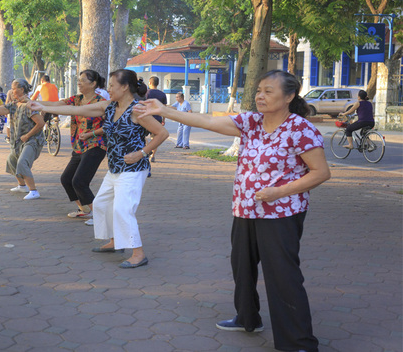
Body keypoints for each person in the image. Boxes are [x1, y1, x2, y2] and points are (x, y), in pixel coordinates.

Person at [136, 69, 330, 351]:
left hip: (281, 213)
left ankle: (298, 341)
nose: (260, 96)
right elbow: (204, 120)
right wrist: (165, 110)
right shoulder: (251, 122)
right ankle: (247, 318)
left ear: (289, 97)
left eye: (269, 91)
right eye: (259, 90)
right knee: (242, 266)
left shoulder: (300, 129)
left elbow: (320, 172)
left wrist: (279, 191)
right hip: (245, 208)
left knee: (283, 275)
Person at [30, 69, 168, 268]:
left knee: (123, 209)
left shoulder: (137, 110)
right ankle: (115, 241)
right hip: (115, 167)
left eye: (112, 86)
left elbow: (162, 133)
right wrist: (41, 105)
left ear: (125, 87)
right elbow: (75, 110)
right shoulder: (109, 107)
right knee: (102, 204)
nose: (109, 89)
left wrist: (142, 153)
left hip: (133, 168)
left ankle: (138, 253)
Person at [32, 70, 108, 220]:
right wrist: (35, 103)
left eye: (82, 81)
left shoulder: (100, 103)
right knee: (66, 179)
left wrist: (91, 134)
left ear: (93, 84)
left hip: (95, 145)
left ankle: (100, 217)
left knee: (79, 181)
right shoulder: (76, 99)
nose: (78, 83)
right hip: (79, 145)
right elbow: (56, 104)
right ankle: (85, 209)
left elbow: (109, 126)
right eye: (78, 80)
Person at [0, 79, 45, 200]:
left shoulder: (29, 105)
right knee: (12, 160)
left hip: (32, 140)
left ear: (22, 89)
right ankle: (22, 186)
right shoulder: (13, 105)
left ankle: (33, 190)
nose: (11, 91)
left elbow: (41, 123)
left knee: (23, 162)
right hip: (19, 141)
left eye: (13, 88)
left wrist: (27, 135)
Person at [145, 76, 167, 162]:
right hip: (158, 118)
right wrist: (163, 120)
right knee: (155, 138)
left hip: (147, 118)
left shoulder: (146, 93)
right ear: (158, 84)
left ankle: (148, 148)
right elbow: (164, 109)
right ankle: (153, 156)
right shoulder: (162, 94)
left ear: (149, 83)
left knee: (142, 136)